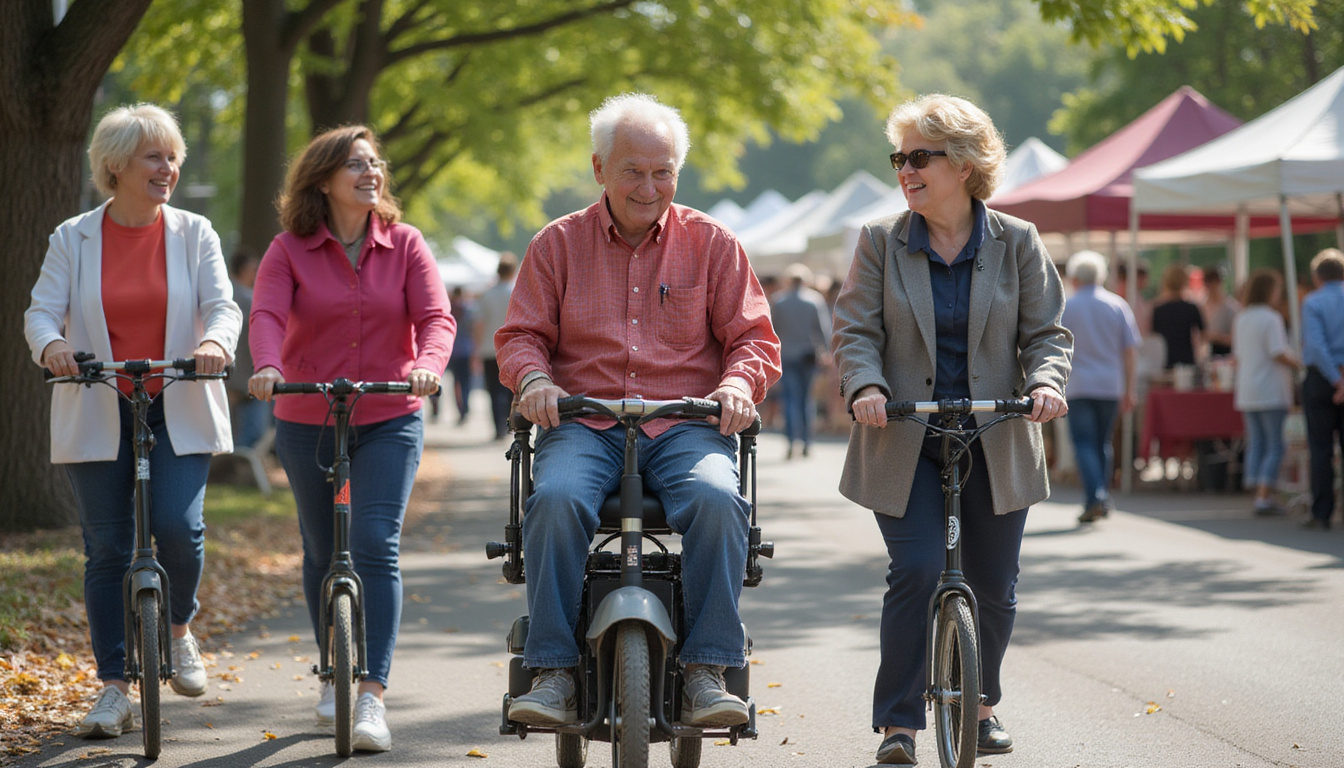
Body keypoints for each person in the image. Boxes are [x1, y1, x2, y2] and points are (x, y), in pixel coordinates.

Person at [495, 92, 781, 729]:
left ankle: (709, 670)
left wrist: (737, 385)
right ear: (599, 169)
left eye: (663, 171)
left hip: (685, 424)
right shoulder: (556, 245)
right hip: (585, 424)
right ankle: (553, 674)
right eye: (633, 170)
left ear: (677, 171)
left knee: (716, 501)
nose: (649, 186)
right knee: (555, 499)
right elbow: (520, 337)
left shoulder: (713, 243)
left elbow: (754, 339)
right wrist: (535, 378)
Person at [830, 94, 1071, 765]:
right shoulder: (880, 241)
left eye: (919, 157)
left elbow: (1048, 332)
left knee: (994, 585)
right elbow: (854, 331)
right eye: (899, 157)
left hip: (996, 434)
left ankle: (982, 705)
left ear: (964, 165)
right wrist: (867, 385)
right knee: (915, 568)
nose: (905, 169)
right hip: (905, 436)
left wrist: (1047, 382)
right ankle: (899, 726)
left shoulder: (1016, 241)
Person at [23, 103, 241, 739]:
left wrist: (216, 346)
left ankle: (178, 629)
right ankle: (113, 688)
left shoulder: (195, 232)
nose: (168, 167)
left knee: (178, 524)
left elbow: (221, 305)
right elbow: (41, 312)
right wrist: (53, 347)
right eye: (155, 156)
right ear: (115, 166)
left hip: (176, 398)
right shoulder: (73, 236)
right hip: (98, 401)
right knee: (108, 549)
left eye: (173, 156)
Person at [247, 125, 455, 751]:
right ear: (323, 179)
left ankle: (371, 695)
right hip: (308, 414)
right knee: (319, 547)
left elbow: (437, 318)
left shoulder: (407, 244)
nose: (372, 172)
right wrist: (267, 366)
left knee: (373, 543)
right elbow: (267, 315)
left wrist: (429, 364)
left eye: (376, 163)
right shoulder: (289, 249)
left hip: (390, 414)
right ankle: (330, 669)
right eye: (357, 165)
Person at [1060, 251, 1140, 523]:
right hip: (1110, 384)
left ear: (1074, 277)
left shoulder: (1067, 306)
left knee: (1083, 443)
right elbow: (1130, 350)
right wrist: (1130, 388)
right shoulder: (1117, 305)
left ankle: (1095, 497)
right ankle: (1101, 495)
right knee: (1101, 442)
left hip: (1079, 384)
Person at [1231, 269, 1299, 516]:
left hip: (1248, 389)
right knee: (1275, 444)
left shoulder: (1242, 318)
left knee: (1257, 441)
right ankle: (1264, 493)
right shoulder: (1271, 318)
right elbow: (1278, 352)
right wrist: (1301, 363)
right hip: (1270, 389)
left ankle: (1256, 487)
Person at [1298, 248, 1344, 531]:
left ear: (1317, 276)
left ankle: (1322, 511)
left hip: (1321, 380)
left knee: (1320, 448)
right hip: (1338, 377)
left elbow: (1315, 345)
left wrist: (1335, 380)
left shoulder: (1313, 302)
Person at [771, 262, 832, 459]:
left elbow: (771, 331)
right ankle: (806, 442)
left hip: (786, 355)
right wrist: (825, 352)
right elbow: (823, 331)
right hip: (807, 356)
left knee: (789, 400)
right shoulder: (814, 301)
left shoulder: (779, 301)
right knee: (806, 400)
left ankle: (790, 441)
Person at [226, 246, 270, 449]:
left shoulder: (225, 294)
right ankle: (239, 471)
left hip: (230, 376)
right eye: (253, 268)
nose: (256, 273)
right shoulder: (249, 299)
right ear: (243, 270)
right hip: (247, 377)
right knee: (251, 433)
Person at [478, 252, 519, 440]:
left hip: (489, 348)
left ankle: (498, 429)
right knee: (512, 390)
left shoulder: (487, 294)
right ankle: (510, 423)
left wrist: (476, 348)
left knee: (493, 391)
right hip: (513, 349)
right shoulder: (518, 291)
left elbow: (478, 324)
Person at [1150, 264, 1204, 369]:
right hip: (1187, 359)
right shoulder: (1192, 308)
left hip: (1164, 359)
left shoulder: (1158, 310)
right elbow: (1203, 334)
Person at [439, 286, 479, 425]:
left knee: (456, 382)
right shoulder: (468, 310)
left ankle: (460, 409)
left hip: (453, 351)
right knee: (466, 382)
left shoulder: (449, 310)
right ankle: (466, 408)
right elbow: (473, 330)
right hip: (466, 350)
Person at [1201, 265, 1239, 357]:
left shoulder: (1230, 307)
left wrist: (1216, 337)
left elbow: (1235, 338)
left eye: (1213, 284)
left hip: (1226, 354)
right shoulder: (1202, 306)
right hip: (1207, 354)